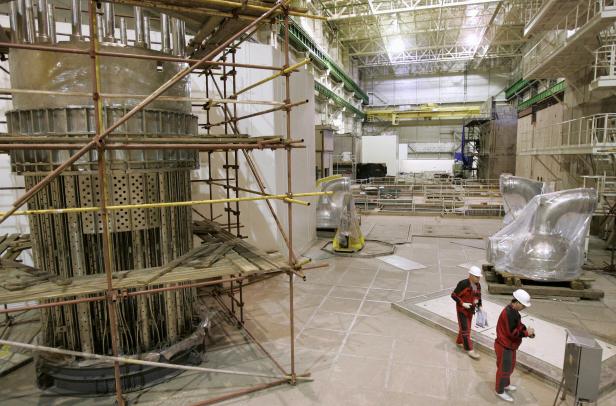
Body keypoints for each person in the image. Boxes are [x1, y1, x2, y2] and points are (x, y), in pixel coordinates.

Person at [494, 289, 536, 403]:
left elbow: (518, 325)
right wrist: (526, 333)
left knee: (510, 367)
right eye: (523, 305)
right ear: (516, 302)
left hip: (510, 346)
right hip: (504, 346)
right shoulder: (508, 313)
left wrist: (526, 330)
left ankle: (506, 384)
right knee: (503, 369)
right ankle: (499, 390)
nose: (524, 308)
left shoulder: (514, 312)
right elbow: (512, 333)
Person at [451, 265, 482, 360]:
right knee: (466, 329)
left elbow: (478, 296)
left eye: (479, 277)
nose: (478, 278)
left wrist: (479, 305)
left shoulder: (478, 285)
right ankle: (469, 349)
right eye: (477, 277)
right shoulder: (463, 284)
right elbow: (453, 295)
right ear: (471, 275)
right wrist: (462, 303)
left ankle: (459, 341)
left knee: (466, 327)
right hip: (462, 310)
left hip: (471, 310)